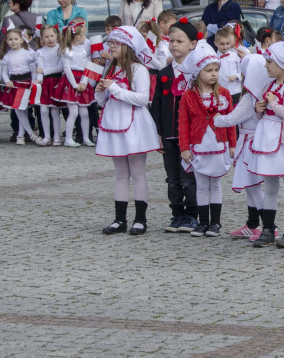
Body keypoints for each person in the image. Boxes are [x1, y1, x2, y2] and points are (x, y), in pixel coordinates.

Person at [96, 26, 161, 235]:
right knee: (120, 173)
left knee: (138, 172)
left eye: (116, 43)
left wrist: (115, 88)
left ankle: (140, 219)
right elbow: (103, 101)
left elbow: (143, 98)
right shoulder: (111, 69)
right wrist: (100, 92)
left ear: (128, 46)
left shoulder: (139, 69)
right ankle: (119, 219)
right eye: (111, 43)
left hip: (134, 125)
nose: (111, 47)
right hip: (114, 123)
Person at [249, 41, 284, 248]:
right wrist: (259, 108)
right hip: (266, 140)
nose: (266, 66)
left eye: (270, 62)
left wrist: (273, 104)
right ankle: (268, 228)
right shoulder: (269, 85)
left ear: (282, 64)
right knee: (269, 186)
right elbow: (260, 115)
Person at [179, 41, 237, 237]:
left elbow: (230, 121)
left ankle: (215, 223)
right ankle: (203, 221)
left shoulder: (224, 94)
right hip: (198, 146)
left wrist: (233, 144)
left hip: (219, 144)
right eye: (208, 70)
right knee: (201, 185)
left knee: (216, 184)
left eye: (216, 70)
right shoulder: (188, 96)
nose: (213, 74)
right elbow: (183, 123)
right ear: (197, 73)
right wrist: (184, 148)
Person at [151, 18, 200, 233]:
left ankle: (192, 215)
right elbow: (157, 106)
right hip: (169, 134)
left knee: (189, 178)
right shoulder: (164, 74)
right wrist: (158, 132)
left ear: (193, 44)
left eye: (179, 41)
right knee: (172, 179)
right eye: (171, 41)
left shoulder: (197, 74)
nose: (173, 45)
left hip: (190, 137)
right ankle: (176, 214)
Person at [222, 53, 269, 241]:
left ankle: (268, 225)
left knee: (255, 187)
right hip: (250, 143)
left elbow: (232, 118)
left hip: (250, 145)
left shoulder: (249, 98)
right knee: (251, 187)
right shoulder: (260, 94)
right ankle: (253, 224)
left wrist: (215, 118)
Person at [53, 22, 96, 147]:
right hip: (71, 82)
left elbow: (87, 67)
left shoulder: (82, 50)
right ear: (77, 36)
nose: (83, 38)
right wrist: (75, 85)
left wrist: (83, 82)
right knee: (74, 112)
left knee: (84, 112)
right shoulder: (67, 50)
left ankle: (86, 138)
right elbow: (67, 69)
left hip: (82, 80)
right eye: (82, 36)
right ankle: (68, 138)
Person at [0, 28, 42, 146]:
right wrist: (7, 81)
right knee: (19, 110)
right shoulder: (7, 56)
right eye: (10, 39)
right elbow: (4, 72)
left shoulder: (28, 54)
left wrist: (33, 83)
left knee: (23, 110)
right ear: (6, 41)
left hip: (26, 83)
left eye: (16, 39)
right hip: (15, 84)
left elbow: (33, 71)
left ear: (22, 40)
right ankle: (29, 135)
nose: (13, 41)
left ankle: (21, 135)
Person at [33, 24, 65, 146]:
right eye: (46, 37)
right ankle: (46, 136)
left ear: (56, 35)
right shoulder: (39, 52)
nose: (50, 39)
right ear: (41, 39)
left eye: (52, 36)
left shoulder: (60, 49)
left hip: (56, 81)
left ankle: (56, 137)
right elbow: (39, 68)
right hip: (45, 83)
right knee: (43, 109)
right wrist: (39, 80)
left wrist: (44, 71)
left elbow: (60, 67)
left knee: (55, 110)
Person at [214, 24, 245, 102]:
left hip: (235, 90)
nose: (225, 47)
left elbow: (241, 71)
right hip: (221, 91)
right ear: (215, 43)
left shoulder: (235, 56)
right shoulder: (214, 58)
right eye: (222, 44)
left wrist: (236, 76)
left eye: (227, 43)